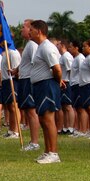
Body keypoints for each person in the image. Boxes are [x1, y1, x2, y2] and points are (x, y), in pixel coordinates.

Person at [28, 20, 63, 164]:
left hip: (47, 85)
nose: (29, 32)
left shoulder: (47, 48)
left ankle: (53, 153)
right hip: (40, 85)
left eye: (31, 29)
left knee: (48, 119)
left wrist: (57, 81)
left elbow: (56, 68)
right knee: (43, 119)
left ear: (39, 31)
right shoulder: (40, 47)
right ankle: (47, 151)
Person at [15, 20, 40, 151]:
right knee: (28, 111)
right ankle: (33, 141)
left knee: (31, 111)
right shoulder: (28, 45)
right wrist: (17, 70)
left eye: (23, 27)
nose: (22, 30)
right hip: (23, 79)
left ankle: (35, 142)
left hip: (29, 80)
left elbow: (35, 63)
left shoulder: (32, 46)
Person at [0, 46, 21, 138]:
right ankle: (11, 130)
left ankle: (16, 131)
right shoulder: (5, 53)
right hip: (6, 81)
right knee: (9, 107)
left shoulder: (13, 53)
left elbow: (17, 71)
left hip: (12, 81)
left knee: (14, 106)